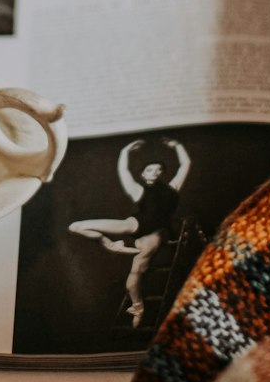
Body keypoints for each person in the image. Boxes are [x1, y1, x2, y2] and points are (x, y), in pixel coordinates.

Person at [69, 136, 191, 328]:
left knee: (135, 276)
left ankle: (138, 307)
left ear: (162, 174)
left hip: (155, 234)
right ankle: (110, 244)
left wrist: (177, 145)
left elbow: (185, 164)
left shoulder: (172, 188)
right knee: (76, 226)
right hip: (135, 224)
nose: (155, 172)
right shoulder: (137, 190)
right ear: (143, 174)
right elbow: (123, 170)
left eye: (159, 170)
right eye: (150, 169)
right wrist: (125, 151)